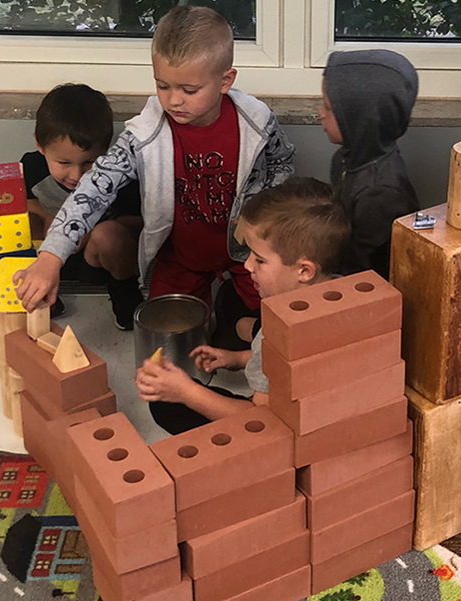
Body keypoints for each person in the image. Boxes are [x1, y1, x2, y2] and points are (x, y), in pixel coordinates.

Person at [13, 6, 295, 343]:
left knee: (274, 331)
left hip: (245, 254)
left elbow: (282, 165)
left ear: (225, 81)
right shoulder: (143, 134)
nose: (174, 100)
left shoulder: (257, 122)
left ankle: (229, 311)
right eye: (163, 85)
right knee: (168, 341)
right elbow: (93, 189)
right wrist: (50, 256)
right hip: (180, 258)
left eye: (189, 90)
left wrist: (262, 216)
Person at [135, 177, 350, 435]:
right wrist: (237, 358)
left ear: (304, 270)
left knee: (166, 405)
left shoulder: (278, 332)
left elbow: (268, 423)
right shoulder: (344, 290)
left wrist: (186, 392)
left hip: (288, 431)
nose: (248, 266)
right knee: (229, 295)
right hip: (324, 413)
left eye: (259, 260)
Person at [21, 83, 143, 325]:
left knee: (109, 234)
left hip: (97, 261)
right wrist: (46, 219)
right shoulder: (31, 167)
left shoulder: (118, 176)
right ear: (39, 145)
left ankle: (124, 289)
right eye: (63, 162)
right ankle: (38, 293)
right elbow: (25, 203)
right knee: (18, 219)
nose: (76, 176)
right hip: (50, 262)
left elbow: (139, 221)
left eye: (89, 163)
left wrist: (82, 233)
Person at [319, 49, 420, 279]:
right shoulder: (346, 159)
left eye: (329, 108)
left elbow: (365, 272)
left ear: (361, 119)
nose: (320, 113)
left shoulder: (379, 193)